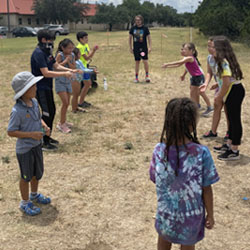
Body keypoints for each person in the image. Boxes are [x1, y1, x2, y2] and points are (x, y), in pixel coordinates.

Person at [149, 97, 219, 250]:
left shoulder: (159, 151)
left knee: (163, 241)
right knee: (188, 246)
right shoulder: (201, 153)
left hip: (166, 214)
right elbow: (207, 188)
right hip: (191, 217)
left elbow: (156, 178)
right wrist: (210, 215)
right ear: (192, 124)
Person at [7, 72, 52, 216]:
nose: (36, 88)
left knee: (36, 174)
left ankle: (34, 195)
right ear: (24, 91)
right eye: (32, 86)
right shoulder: (17, 111)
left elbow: (38, 118)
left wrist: (44, 125)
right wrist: (31, 135)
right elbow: (11, 131)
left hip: (36, 146)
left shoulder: (35, 102)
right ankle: (24, 202)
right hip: (25, 150)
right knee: (26, 176)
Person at [31, 30, 75, 150]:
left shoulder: (47, 52)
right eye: (50, 40)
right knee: (46, 113)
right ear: (43, 40)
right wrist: (63, 74)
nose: (52, 43)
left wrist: (69, 71)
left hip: (47, 87)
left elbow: (55, 65)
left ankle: (47, 137)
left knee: (52, 111)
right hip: (40, 88)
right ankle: (42, 141)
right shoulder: (38, 53)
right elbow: (45, 72)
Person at [210, 36, 245, 161]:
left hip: (234, 92)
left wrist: (219, 97)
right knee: (231, 118)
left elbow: (226, 83)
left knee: (235, 121)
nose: (210, 49)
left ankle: (234, 150)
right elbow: (225, 80)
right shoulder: (223, 61)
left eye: (213, 47)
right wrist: (217, 85)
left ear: (220, 49)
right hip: (231, 90)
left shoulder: (224, 62)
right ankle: (229, 144)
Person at [162, 43, 213, 116]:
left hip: (198, 77)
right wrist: (168, 67)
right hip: (194, 77)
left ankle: (209, 107)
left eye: (185, 49)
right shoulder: (186, 58)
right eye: (183, 49)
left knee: (201, 92)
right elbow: (179, 65)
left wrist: (167, 64)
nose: (183, 50)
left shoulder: (190, 58)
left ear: (191, 51)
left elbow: (179, 62)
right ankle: (195, 106)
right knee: (193, 93)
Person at [200, 37, 229, 140]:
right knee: (217, 106)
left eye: (213, 46)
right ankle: (213, 131)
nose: (210, 48)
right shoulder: (209, 58)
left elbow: (229, 76)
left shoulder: (224, 58)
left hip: (227, 87)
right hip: (220, 85)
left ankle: (229, 132)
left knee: (227, 109)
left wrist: (218, 83)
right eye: (208, 46)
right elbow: (209, 72)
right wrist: (206, 84)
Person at [55, 39, 76, 133]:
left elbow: (73, 67)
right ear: (63, 48)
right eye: (69, 48)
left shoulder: (72, 55)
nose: (71, 50)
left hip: (68, 81)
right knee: (65, 102)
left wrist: (69, 61)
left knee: (67, 103)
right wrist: (65, 61)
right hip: (60, 81)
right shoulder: (60, 55)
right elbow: (55, 66)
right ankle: (61, 125)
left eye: (72, 48)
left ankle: (63, 121)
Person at [76, 31, 98, 108]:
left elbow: (89, 56)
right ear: (80, 39)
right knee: (87, 84)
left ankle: (81, 101)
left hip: (85, 67)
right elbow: (87, 57)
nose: (87, 39)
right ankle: (80, 102)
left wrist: (93, 51)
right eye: (85, 38)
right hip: (81, 68)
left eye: (87, 37)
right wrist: (94, 50)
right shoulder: (79, 47)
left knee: (87, 84)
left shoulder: (85, 45)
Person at [129, 15, 152, 83]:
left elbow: (149, 38)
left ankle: (147, 76)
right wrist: (130, 48)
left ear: (141, 21)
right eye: (136, 20)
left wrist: (150, 47)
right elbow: (130, 38)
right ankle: (136, 77)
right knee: (137, 62)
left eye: (138, 20)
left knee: (145, 61)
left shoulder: (145, 28)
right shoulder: (133, 28)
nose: (137, 21)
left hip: (143, 49)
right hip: (136, 49)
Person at [71, 47, 94, 113]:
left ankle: (76, 108)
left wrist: (91, 70)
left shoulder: (79, 61)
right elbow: (83, 70)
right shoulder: (75, 63)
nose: (80, 55)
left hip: (79, 79)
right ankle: (74, 109)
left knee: (77, 94)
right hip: (75, 80)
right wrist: (92, 71)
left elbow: (84, 68)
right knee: (75, 95)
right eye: (79, 54)